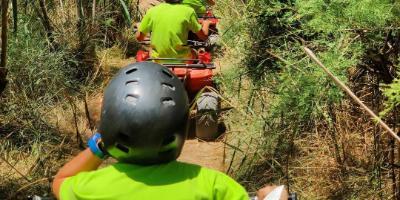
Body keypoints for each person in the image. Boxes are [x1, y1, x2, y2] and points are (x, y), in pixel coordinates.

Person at [52, 62, 288, 200]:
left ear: (109, 126)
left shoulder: (91, 187)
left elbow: (60, 181)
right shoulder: (213, 184)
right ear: (181, 126)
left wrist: (101, 145)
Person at [135, 0, 210, 63]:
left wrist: (139, 26)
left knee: (150, 49)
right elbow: (203, 36)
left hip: (157, 60)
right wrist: (206, 23)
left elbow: (139, 38)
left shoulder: (152, 11)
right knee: (194, 51)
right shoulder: (189, 11)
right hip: (183, 60)